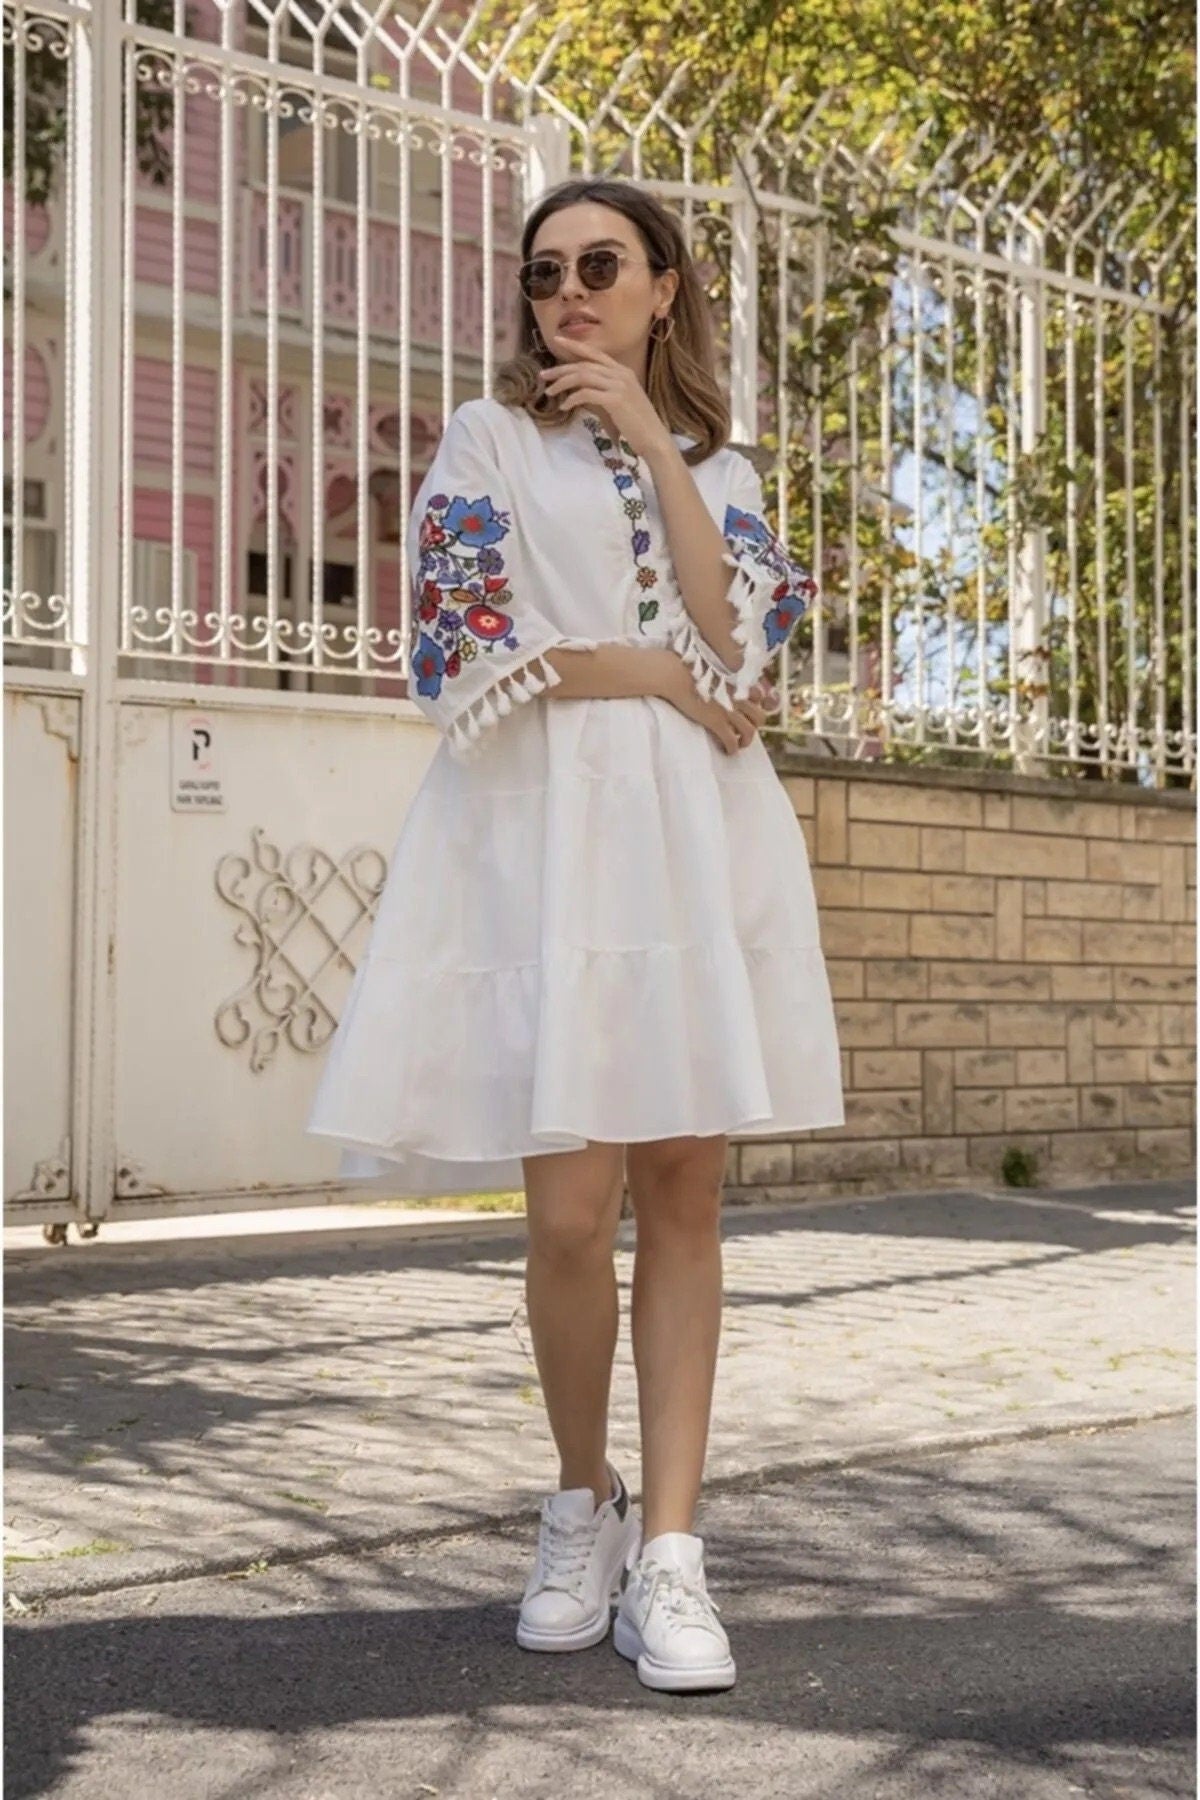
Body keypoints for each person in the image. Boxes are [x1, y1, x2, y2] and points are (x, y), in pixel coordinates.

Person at [306, 177, 845, 1694]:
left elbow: (741, 641)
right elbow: (465, 640)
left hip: (690, 845)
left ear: (664, 285)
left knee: (683, 1194)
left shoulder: (723, 466)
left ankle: (670, 1552)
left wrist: (657, 454)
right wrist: (666, 680)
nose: (569, 295)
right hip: (541, 844)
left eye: (602, 266)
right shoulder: (488, 441)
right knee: (563, 1212)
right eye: (546, 274)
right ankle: (580, 1500)